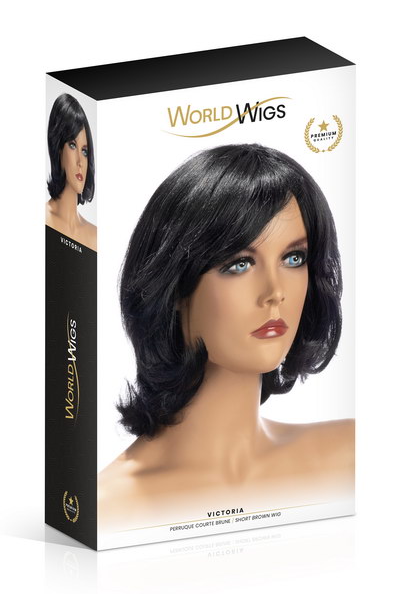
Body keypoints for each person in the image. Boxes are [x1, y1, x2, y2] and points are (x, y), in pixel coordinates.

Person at [98, 144, 354, 532]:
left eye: (293, 259)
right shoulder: (110, 512)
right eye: (239, 264)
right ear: (175, 287)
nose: (275, 292)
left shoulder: (353, 457)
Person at [46, 93, 97, 251]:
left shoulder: (95, 237)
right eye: (73, 145)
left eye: (85, 151)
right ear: (58, 148)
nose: (80, 161)